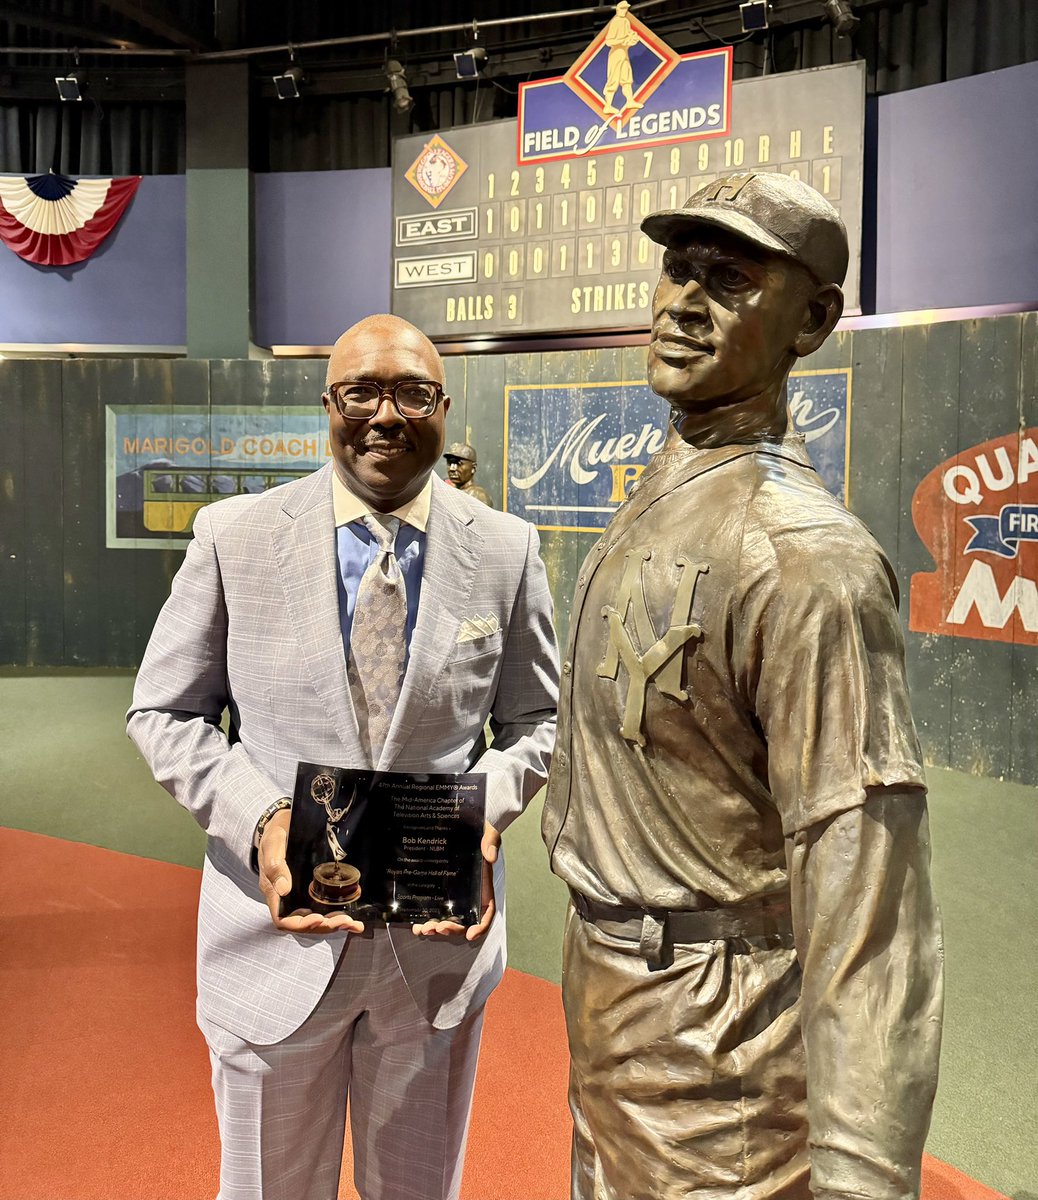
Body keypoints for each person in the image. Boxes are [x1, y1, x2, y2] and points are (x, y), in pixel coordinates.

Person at [542, 172, 943, 1200]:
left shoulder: (810, 561)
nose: (683, 300)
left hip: (724, 1063)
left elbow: (870, 904)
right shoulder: (673, 493)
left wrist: (861, 1176)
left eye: (728, 279)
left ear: (810, 321)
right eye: (678, 267)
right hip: (615, 1013)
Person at [128, 313, 559, 1200]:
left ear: (443, 406)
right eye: (361, 392)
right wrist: (262, 817)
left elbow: (539, 723)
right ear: (328, 404)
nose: (385, 416)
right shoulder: (234, 537)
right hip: (271, 942)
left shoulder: (506, 551)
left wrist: (483, 810)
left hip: (435, 955)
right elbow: (164, 713)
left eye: (412, 393)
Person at [602, 2, 643, 118]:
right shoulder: (616, 22)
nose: (624, 10)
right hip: (616, 53)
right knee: (613, 79)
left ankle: (630, 101)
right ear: (618, 9)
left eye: (626, 8)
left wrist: (633, 38)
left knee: (627, 78)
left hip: (624, 52)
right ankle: (608, 105)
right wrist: (622, 41)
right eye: (623, 8)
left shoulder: (626, 21)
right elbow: (609, 41)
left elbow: (630, 35)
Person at [444, 441, 493, 507]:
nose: (452, 468)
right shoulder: (448, 493)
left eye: (458, 463)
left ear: (473, 468)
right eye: (450, 463)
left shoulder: (478, 496)